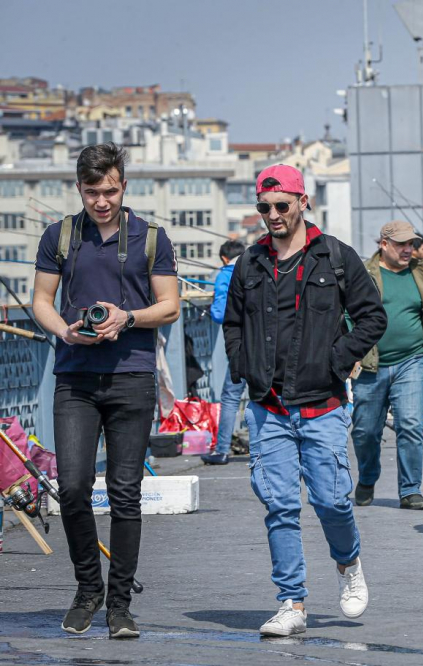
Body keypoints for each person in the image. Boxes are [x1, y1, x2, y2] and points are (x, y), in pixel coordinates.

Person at [224, 164, 387, 635]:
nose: (272, 215)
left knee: (333, 500)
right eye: (264, 207)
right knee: (279, 506)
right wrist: (242, 365)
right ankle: (291, 603)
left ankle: (348, 564)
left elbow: (372, 317)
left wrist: (339, 359)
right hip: (268, 407)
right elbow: (232, 323)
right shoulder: (250, 263)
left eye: (281, 205)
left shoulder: (335, 256)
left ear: (301, 203)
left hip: (323, 404)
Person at [32, 143, 180, 638]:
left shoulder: (151, 238)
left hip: (132, 376)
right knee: (71, 488)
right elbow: (41, 301)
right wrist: (65, 331)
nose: (102, 201)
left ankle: (120, 605)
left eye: (110, 191)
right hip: (74, 377)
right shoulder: (59, 236)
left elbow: (171, 306)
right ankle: (87, 590)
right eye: (93, 192)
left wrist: (127, 317)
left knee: (124, 493)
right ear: (79, 188)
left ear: (124, 186)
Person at [351, 221, 423, 510]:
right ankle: (367, 477)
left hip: (411, 360)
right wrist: (350, 352)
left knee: (411, 424)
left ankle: (410, 489)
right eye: (401, 244)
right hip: (371, 364)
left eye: (411, 244)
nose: (408, 249)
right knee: (365, 431)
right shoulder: (365, 275)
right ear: (384, 245)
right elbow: (347, 314)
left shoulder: (420, 272)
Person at [202, 239, 246, 465]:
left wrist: (211, 309)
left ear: (224, 259)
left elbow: (220, 314)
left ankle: (222, 450)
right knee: (265, 398)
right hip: (268, 347)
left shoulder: (226, 274)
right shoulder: (257, 267)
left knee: (230, 397)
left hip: (241, 347)